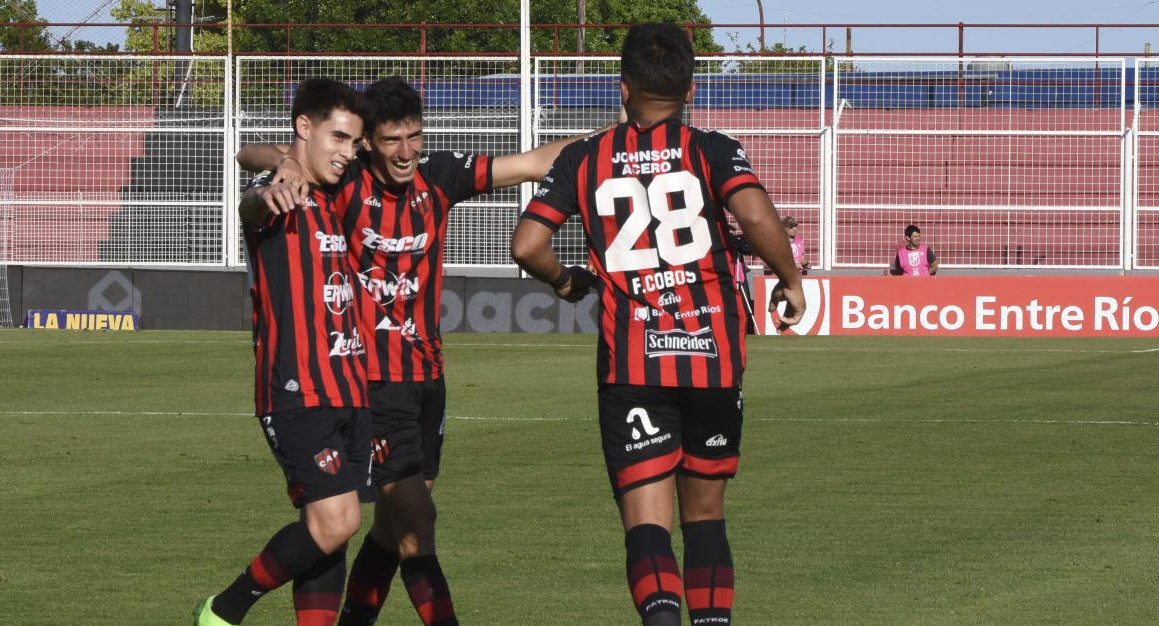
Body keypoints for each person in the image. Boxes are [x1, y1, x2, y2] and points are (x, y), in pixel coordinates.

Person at [238, 76, 603, 626]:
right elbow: (256, 155)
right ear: (367, 144)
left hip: (428, 377)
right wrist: (281, 163)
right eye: (391, 141)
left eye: (415, 137)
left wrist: (625, 135)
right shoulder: (345, 181)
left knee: (391, 528)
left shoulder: (439, 178)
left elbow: (534, 162)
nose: (406, 152)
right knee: (415, 525)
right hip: (370, 379)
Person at [511, 23, 805, 626]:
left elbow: (526, 244)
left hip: (632, 361)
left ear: (623, 89)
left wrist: (565, 280)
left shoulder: (582, 158)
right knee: (706, 517)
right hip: (712, 354)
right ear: (690, 88)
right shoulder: (712, 148)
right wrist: (789, 279)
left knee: (646, 525)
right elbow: (755, 213)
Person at [194, 78, 374, 626]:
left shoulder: (335, 191)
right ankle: (223, 610)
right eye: (338, 137)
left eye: (354, 143)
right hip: (297, 388)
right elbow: (251, 192)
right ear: (304, 128)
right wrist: (275, 172)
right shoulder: (280, 192)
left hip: (351, 386)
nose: (347, 152)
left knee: (329, 529)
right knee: (336, 520)